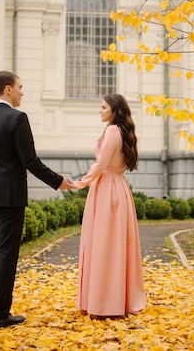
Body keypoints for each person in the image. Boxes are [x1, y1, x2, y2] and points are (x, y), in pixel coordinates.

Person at [0, 70, 73, 329]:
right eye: (20, 87)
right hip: (10, 198)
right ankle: (1, 314)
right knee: (5, 254)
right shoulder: (17, 119)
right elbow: (30, 161)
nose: (22, 92)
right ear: (7, 89)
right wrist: (58, 181)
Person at [71, 93, 146, 318]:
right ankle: (113, 300)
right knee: (115, 244)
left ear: (114, 109)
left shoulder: (113, 131)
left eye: (104, 107)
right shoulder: (120, 131)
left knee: (104, 245)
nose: (100, 110)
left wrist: (79, 183)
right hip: (116, 188)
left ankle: (104, 303)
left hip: (107, 191)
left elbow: (101, 163)